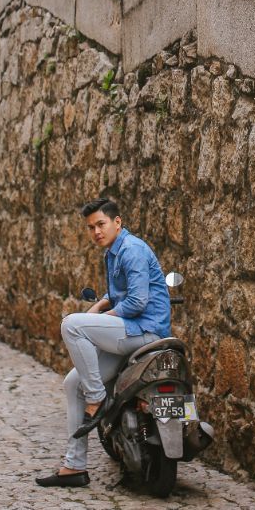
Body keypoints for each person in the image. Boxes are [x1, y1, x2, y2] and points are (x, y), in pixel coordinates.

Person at [36, 197, 171, 489]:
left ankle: (97, 398)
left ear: (117, 222)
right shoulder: (113, 252)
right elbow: (118, 292)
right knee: (73, 383)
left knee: (71, 324)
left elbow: (136, 301)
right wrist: (98, 306)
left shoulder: (132, 250)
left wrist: (105, 315)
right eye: (91, 227)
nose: (96, 231)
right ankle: (75, 467)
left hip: (144, 331)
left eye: (101, 224)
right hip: (131, 330)